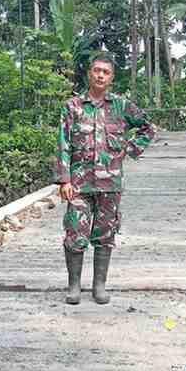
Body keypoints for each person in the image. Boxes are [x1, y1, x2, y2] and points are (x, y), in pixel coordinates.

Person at [56, 53, 158, 305]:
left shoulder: (121, 106)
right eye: (96, 70)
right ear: (89, 73)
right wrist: (64, 180)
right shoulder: (73, 107)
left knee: (105, 234)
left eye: (106, 72)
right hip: (79, 184)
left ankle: (99, 286)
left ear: (111, 78)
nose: (101, 75)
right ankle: (74, 286)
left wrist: (130, 149)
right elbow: (63, 144)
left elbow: (148, 127)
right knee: (75, 233)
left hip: (110, 184)